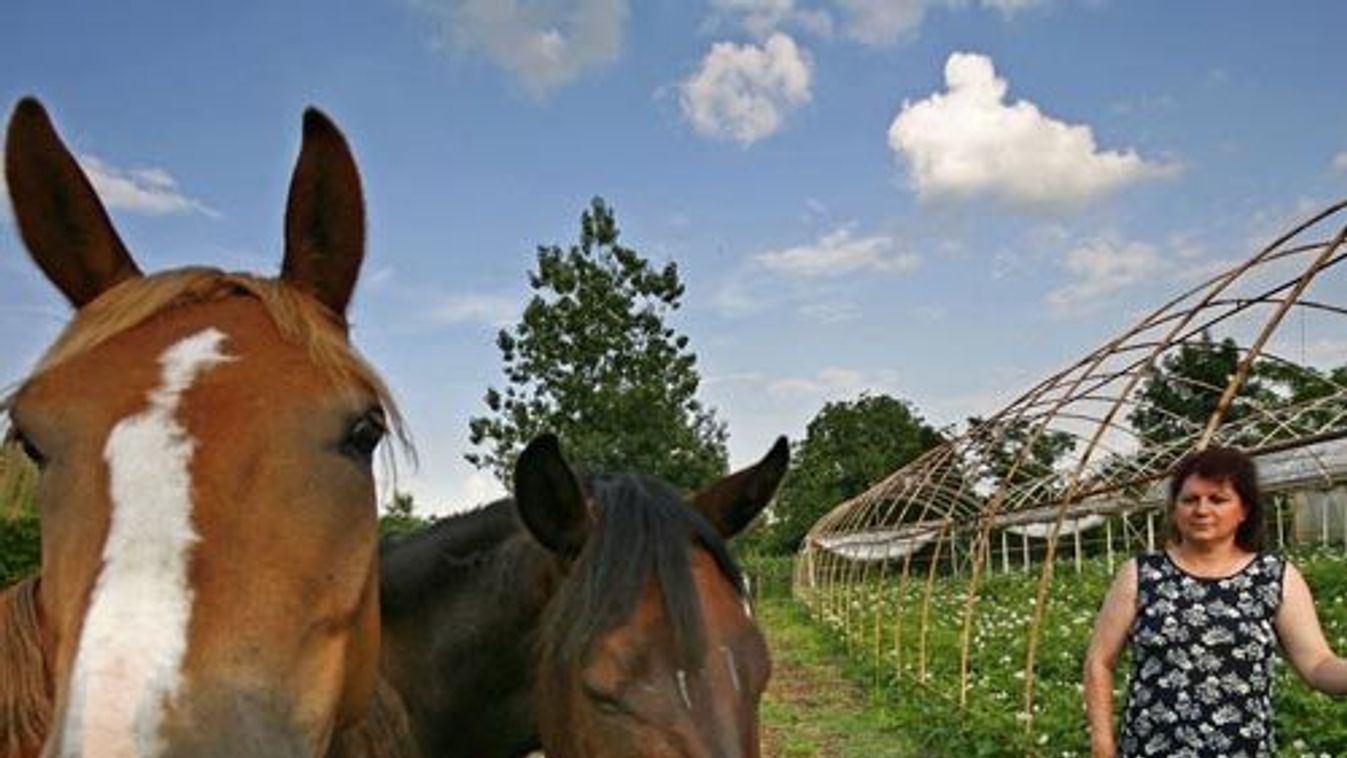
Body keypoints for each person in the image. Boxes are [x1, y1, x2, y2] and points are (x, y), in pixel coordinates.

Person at [1083, 445, 1347, 757]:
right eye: (1190, 499)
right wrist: (1102, 743)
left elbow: (1316, 663)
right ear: (1175, 507)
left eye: (1218, 499)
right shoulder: (1141, 574)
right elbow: (1099, 661)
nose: (1201, 509)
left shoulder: (1274, 576)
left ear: (1244, 510)